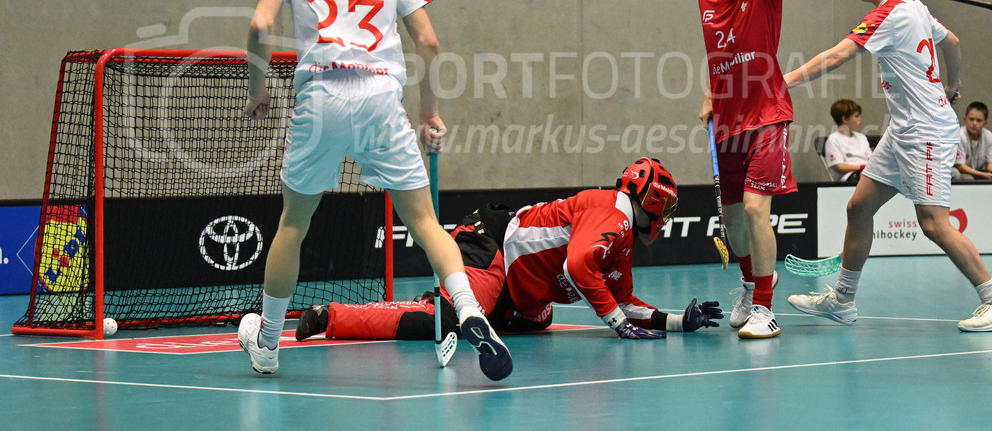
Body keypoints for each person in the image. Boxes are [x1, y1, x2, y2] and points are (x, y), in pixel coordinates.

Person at [240, 0, 512, 380]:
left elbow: (259, 24)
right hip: (380, 99)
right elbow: (429, 42)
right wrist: (429, 113)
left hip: (320, 96)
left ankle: (269, 343)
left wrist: (259, 92)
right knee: (427, 223)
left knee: (293, 225)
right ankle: (470, 309)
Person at [785, 0, 992, 332]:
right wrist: (953, 85)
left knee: (932, 223)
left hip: (924, 130)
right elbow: (954, 43)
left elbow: (835, 56)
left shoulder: (888, 14)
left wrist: (778, 82)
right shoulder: (916, 6)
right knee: (858, 207)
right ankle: (842, 300)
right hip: (904, 128)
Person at [293, 159, 723, 343]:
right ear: (648, 200)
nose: (665, 216)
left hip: (515, 284)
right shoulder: (614, 211)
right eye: (665, 206)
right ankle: (331, 316)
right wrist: (616, 324)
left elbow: (624, 299)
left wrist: (676, 321)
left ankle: (462, 305)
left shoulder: (621, 239)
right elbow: (577, 266)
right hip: (491, 243)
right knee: (447, 323)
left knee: (541, 317)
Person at [697, 0, 794, 339]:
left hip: (767, 115)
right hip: (727, 122)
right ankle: (750, 279)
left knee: (757, 210)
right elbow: (721, 55)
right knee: (732, 221)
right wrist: (712, 97)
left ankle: (765, 306)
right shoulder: (706, 0)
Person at [824, 99, 873, 182]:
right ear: (845, 119)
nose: (860, 119)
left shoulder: (861, 137)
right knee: (866, 176)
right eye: (856, 116)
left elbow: (871, 160)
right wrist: (862, 167)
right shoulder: (833, 139)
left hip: (867, 172)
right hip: (849, 176)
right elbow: (839, 167)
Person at [953, 101, 992, 180]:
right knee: (969, 179)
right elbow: (961, 166)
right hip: (960, 172)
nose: (974, 123)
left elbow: (989, 163)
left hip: (977, 171)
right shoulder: (959, 135)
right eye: (971, 119)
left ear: (985, 123)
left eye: (979, 120)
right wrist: (984, 174)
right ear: (965, 119)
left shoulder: (989, 136)